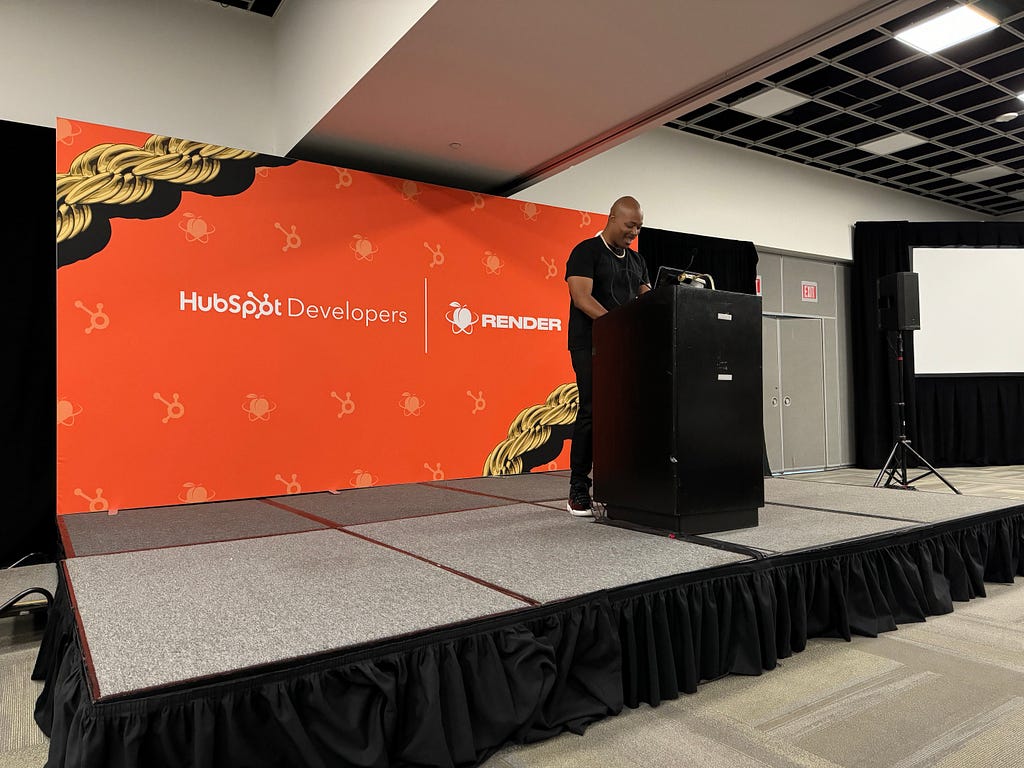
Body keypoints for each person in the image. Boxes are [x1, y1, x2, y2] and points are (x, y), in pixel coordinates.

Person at [564, 196, 651, 517]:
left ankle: (620, 483)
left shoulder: (637, 261)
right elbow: (581, 298)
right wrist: (617, 327)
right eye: (630, 225)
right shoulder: (586, 251)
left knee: (626, 413)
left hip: (624, 347)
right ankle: (577, 488)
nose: (634, 232)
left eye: (639, 227)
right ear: (612, 218)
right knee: (592, 410)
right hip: (590, 344)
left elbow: (647, 301)